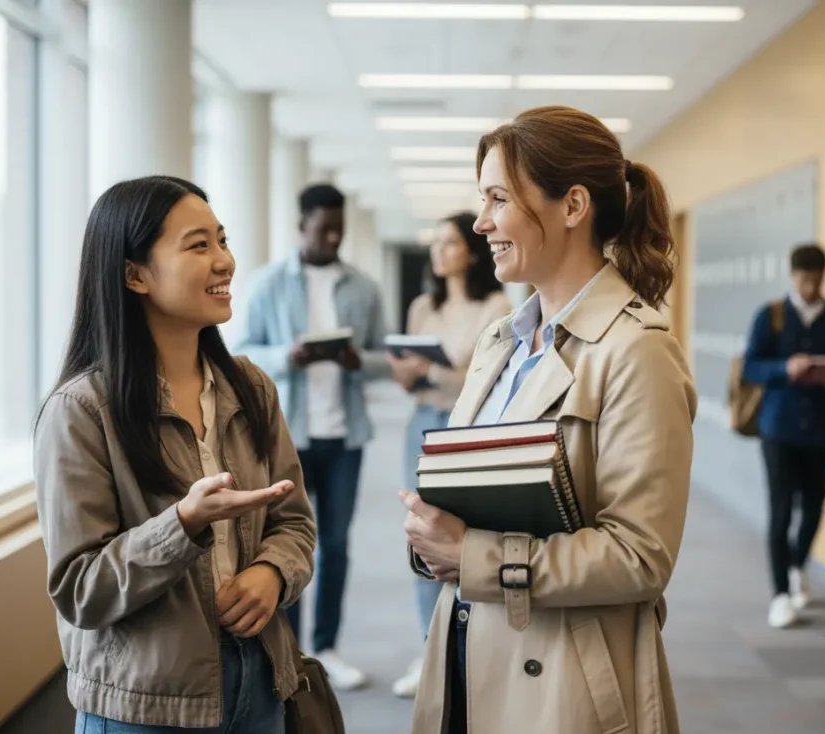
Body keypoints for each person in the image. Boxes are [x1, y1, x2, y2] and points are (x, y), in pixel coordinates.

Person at [401, 106, 697, 734]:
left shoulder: (636, 350)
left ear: (573, 206)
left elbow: (640, 555)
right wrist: (434, 540)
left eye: (499, 198)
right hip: (464, 644)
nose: (481, 223)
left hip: (563, 677)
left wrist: (472, 555)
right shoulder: (499, 343)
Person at [34, 175, 316, 733]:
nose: (225, 262)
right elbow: (80, 589)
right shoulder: (82, 410)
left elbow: (296, 524)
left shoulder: (251, 389)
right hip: (145, 702)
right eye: (198, 245)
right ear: (134, 274)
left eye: (223, 240)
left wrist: (271, 573)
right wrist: (183, 524)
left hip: (259, 681)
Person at [235, 183, 389, 690]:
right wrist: (287, 357)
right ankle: (291, 649)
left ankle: (325, 647)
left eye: (339, 227)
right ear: (302, 225)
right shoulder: (268, 284)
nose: (333, 235)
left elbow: (382, 358)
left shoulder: (362, 287)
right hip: (289, 438)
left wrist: (355, 361)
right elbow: (241, 351)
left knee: (337, 544)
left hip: (344, 437)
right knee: (285, 543)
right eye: (324, 227)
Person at [386, 212, 511, 699]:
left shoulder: (495, 304)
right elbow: (408, 378)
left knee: (467, 542)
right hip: (421, 425)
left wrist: (435, 374)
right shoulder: (422, 306)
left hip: (469, 429)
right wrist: (412, 374)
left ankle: (475, 650)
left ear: (470, 251)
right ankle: (428, 650)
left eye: (450, 242)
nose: (439, 250)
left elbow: (486, 381)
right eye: (435, 242)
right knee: (421, 539)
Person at [742, 243, 825, 629]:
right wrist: (784, 369)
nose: (809, 287)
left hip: (819, 430)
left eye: (816, 279)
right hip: (778, 428)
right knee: (780, 509)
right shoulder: (771, 316)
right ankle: (779, 594)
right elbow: (751, 368)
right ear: (793, 276)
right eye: (804, 279)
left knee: (816, 504)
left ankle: (796, 562)